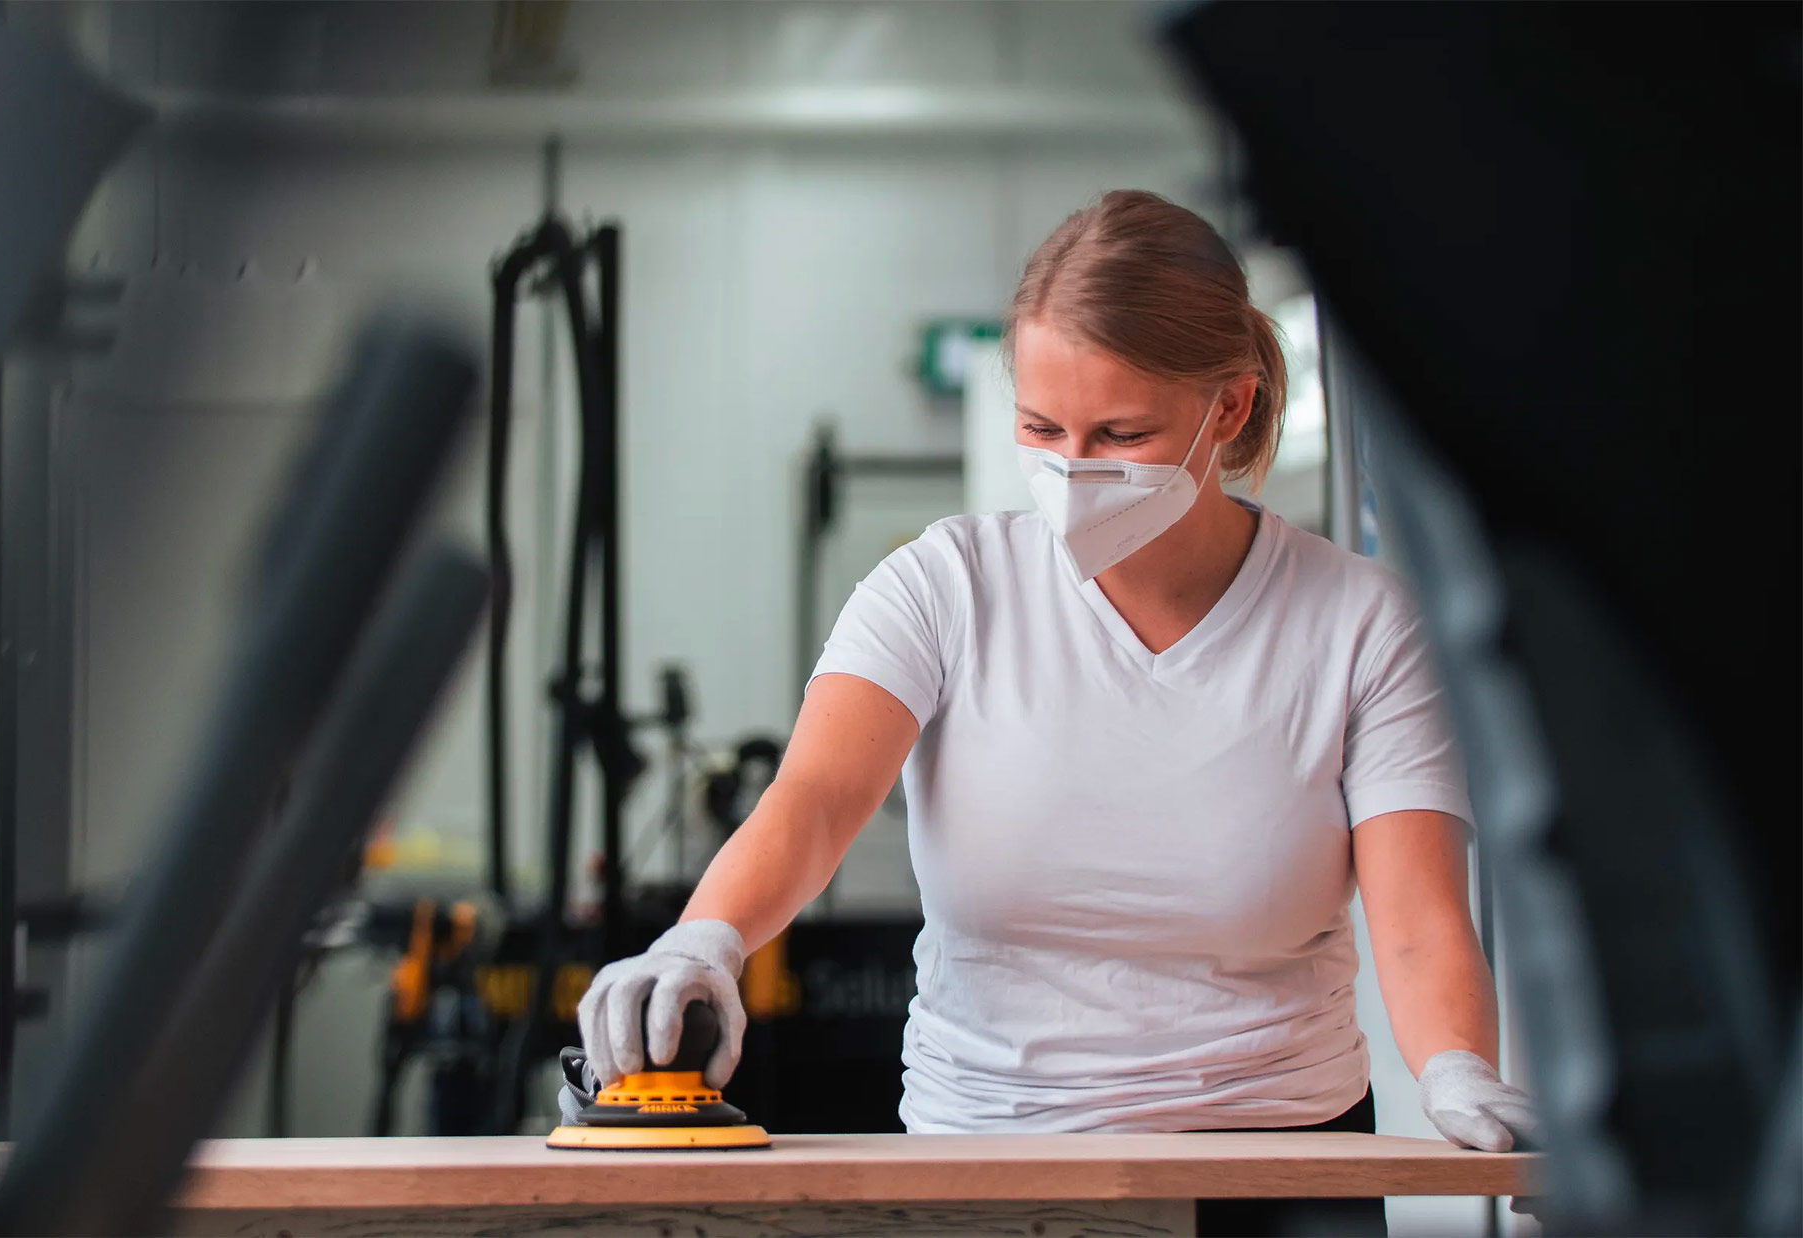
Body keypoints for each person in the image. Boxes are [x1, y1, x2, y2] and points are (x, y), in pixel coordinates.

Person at [569, 190, 1536, 1235]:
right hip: (989, 1163)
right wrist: (704, 937)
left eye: (1120, 431)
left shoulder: (1358, 620)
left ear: (1228, 406)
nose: (1073, 467)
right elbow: (812, 799)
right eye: (1041, 426)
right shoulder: (941, 585)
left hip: (1277, 1166)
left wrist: (1455, 1069)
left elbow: (1415, 918)